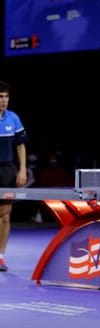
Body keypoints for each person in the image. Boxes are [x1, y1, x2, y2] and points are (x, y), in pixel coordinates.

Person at [0, 80, 28, 272]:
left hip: (7, 172)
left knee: (5, 216)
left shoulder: (13, 118)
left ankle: (0, 256)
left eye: (6, 96)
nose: (4, 100)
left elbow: (20, 145)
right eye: (0, 97)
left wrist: (23, 169)